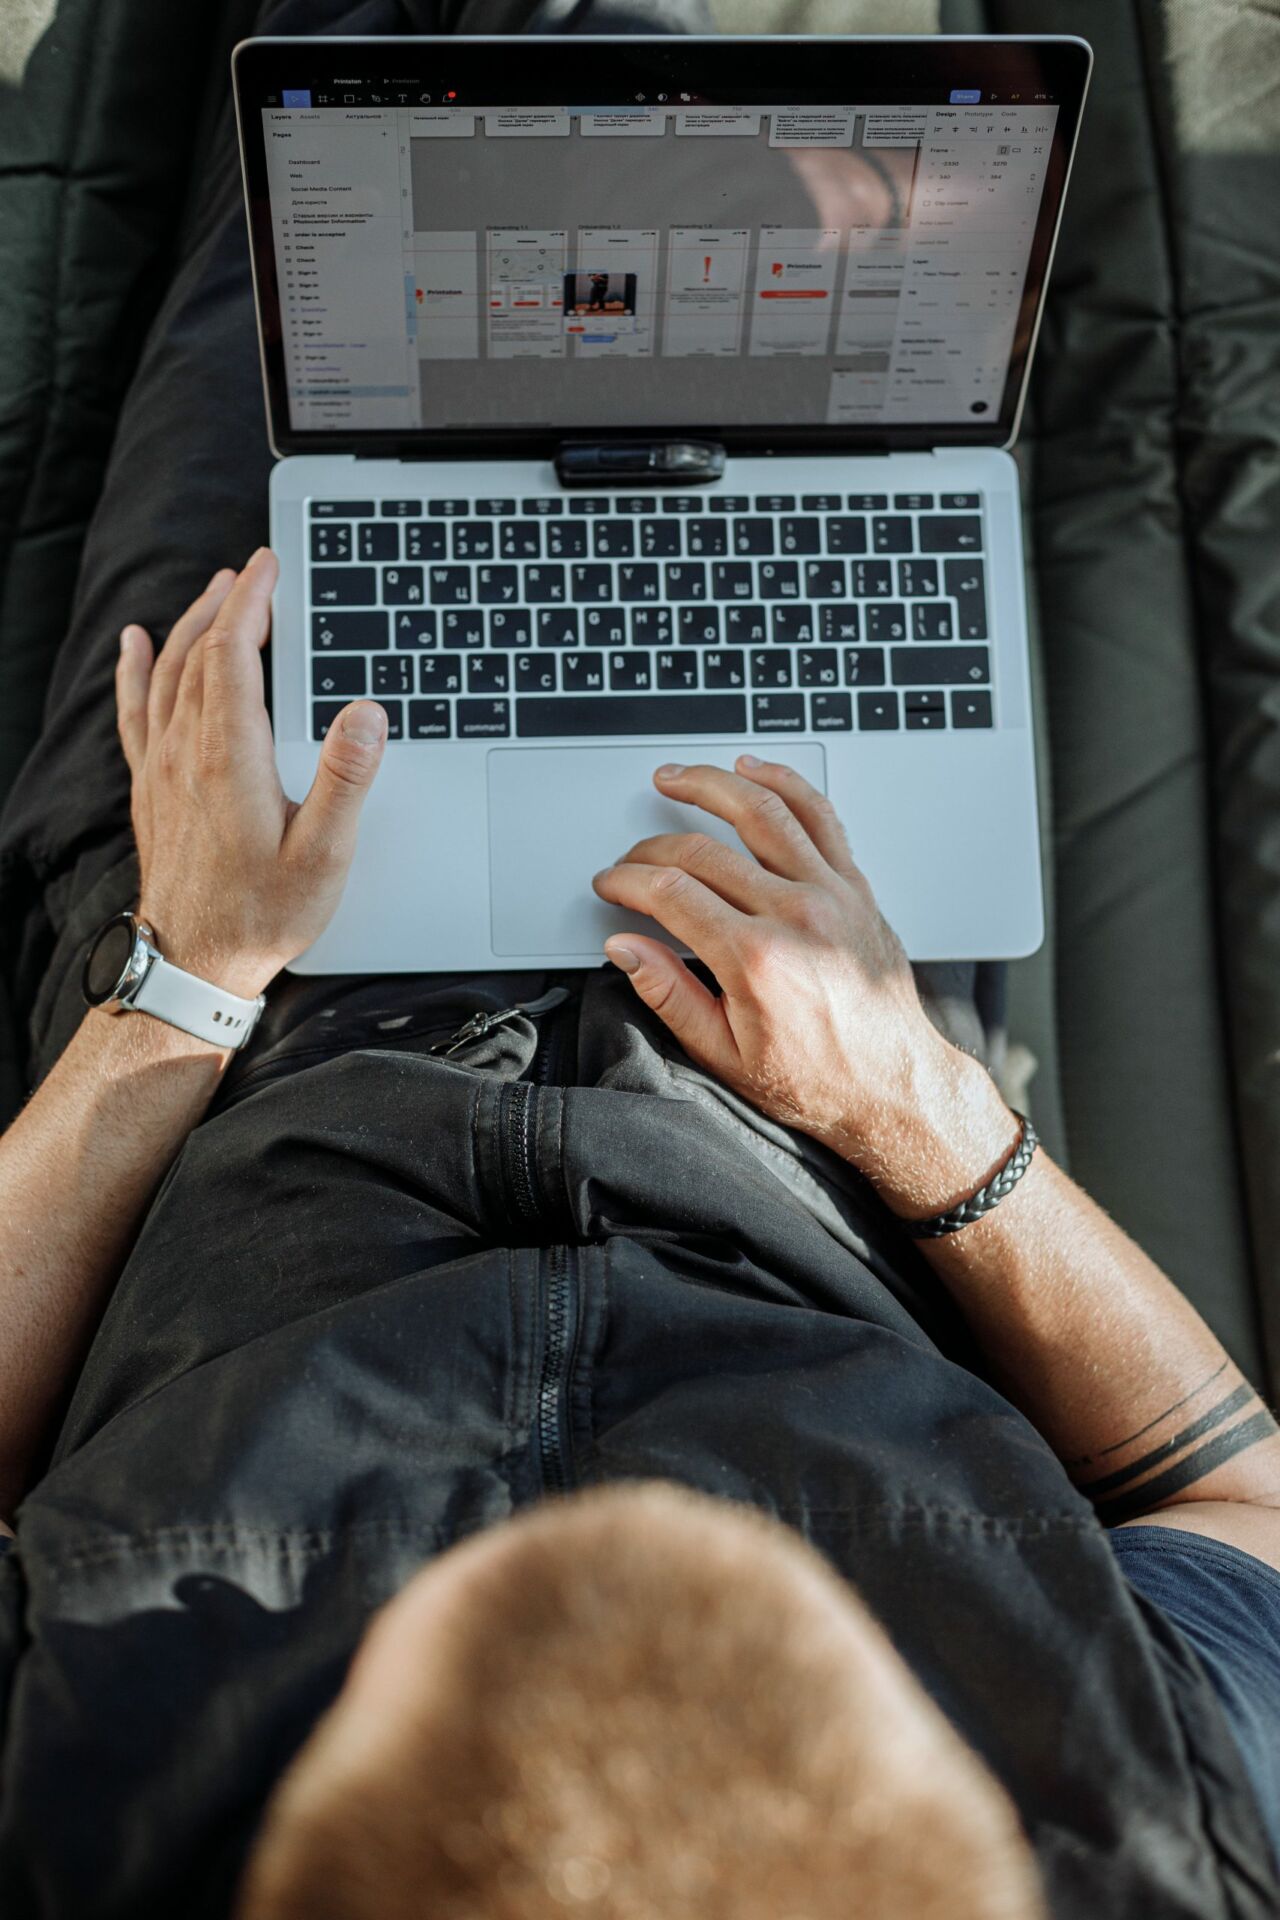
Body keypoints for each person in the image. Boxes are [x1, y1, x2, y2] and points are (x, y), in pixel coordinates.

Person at [0, 10, 1278, 1920]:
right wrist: (905, 1093)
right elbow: (1242, 1505)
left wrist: (181, 981)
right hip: (803, 1063)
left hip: (233, 1029)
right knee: (778, 258)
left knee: (318, 214)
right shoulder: (1144, 1833)